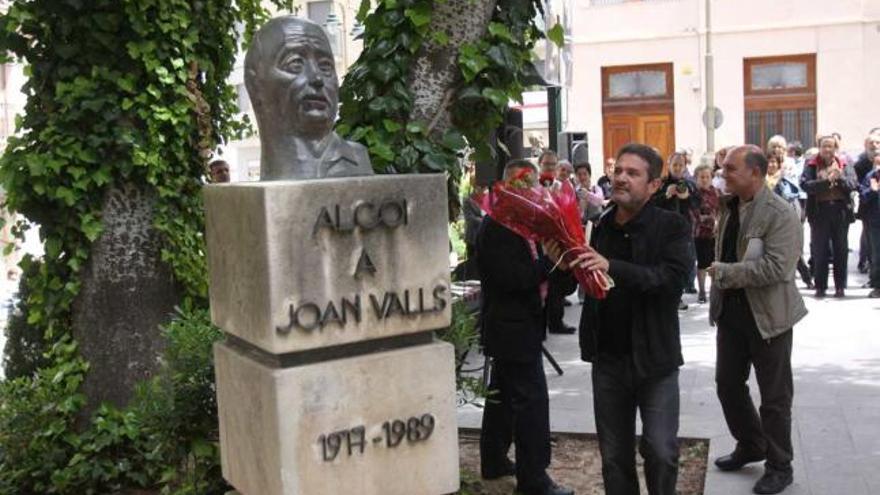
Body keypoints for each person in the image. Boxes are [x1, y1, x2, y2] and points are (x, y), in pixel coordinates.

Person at [570, 143, 692, 495]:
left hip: (655, 360)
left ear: (654, 185)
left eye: (632, 173)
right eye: (618, 170)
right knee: (614, 457)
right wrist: (563, 263)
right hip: (609, 360)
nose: (621, 178)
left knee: (661, 451)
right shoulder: (600, 224)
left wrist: (613, 267)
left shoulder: (671, 226)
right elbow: (578, 282)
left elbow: (671, 281)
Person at [709, 145, 807, 495]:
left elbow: (778, 268)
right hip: (732, 316)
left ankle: (780, 466)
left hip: (770, 318)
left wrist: (725, 273)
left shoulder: (780, 212)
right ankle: (751, 443)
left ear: (756, 172)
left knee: (775, 397)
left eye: (731, 169)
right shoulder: (729, 205)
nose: (724, 174)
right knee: (727, 384)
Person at [477, 159, 575, 495]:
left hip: (522, 326)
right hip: (510, 329)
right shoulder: (496, 227)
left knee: (502, 397)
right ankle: (534, 480)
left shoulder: (522, 224)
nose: (531, 190)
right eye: (523, 183)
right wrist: (549, 262)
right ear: (507, 186)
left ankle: (493, 460)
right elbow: (514, 279)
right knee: (531, 402)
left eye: (533, 183)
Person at [243, 16, 373, 180]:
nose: (317, 79)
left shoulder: (357, 160)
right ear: (254, 85)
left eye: (325, 66)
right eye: (295, 63)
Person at [800, 135, 858, 298]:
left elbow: (853, 184)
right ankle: (820, 286)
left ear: (835, 148)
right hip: (819, 212)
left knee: (841, 249)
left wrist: (839, 179)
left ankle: (840, 286)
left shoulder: (844, 163)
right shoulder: (811, 164)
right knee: (820, 250)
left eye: (830, 146)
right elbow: (806, 185)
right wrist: (826, 182)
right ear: (819, 147)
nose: (827, 149)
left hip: (840, 211)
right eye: (824, 146)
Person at [653, 151, 701, 307]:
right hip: (664, 230)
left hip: (684, 230)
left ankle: (678, 294)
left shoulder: (690, 184)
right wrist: (666, 195)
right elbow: (651, 204)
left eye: (681, 165)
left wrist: (687, 197)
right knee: (666, 264)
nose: (678, 168)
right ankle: (669, 295)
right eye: (675, 164)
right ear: (669, 165)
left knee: (684, 263)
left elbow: (697, 204)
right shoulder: (660, 183)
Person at [539, 151, 576, 332]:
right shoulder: (534, 186)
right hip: (540, 241)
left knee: (558, 283)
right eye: (546, 164)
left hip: (558, 240)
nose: (550, 168)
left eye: (553, 164)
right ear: (540, 165)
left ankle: (556, 322)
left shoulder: (562, 186)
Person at [766, 155, 813, 288]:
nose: (771, 165)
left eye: (774, 162)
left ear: (779, 165)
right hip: (767, 221)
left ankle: (807, 279)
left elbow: (790, 198)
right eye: (769, 162)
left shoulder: (784, 180)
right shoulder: (761, 180)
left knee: (793, 252)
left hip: (784, 220)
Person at [854, 130, 880, 275]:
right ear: (866, 146)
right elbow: (858, 186)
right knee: (871, 243)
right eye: (871, 143)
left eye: (878, 143)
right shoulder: (860, 165)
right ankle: (868, 269)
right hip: (869, 209)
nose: (875, 146)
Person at [692, 164, 719, 304]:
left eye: (707, 177)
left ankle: (714, 290)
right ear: (696, 178)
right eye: (701, 177)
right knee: (702, 263)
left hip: (715, 234)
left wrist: (718, 222)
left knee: (715, 262)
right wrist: (709, 220)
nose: (704, 179)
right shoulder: (694, 194)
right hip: (700, 233)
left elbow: (720, 210)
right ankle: (702, 291)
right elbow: (695, 214)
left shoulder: (716, 192)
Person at [859, 153, 880, 298]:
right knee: (876, 256)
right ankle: (877, 286)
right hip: (875, 222)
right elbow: (863, 197)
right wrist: (873, 191)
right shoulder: (871, 177)